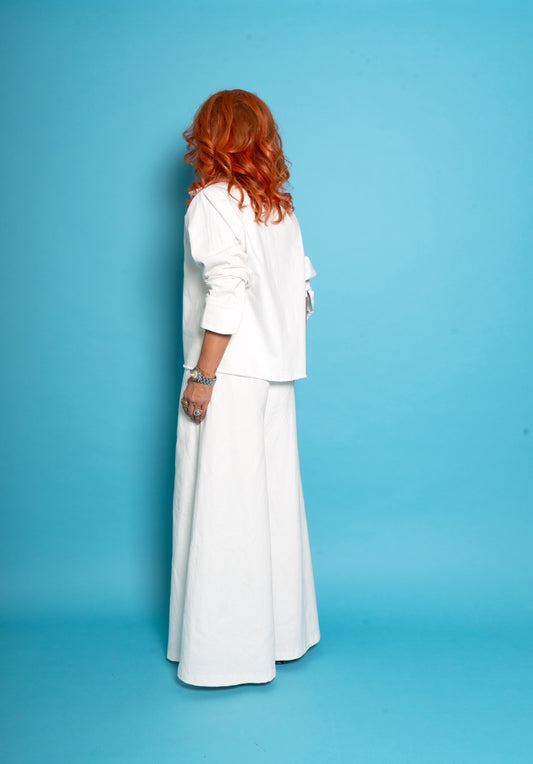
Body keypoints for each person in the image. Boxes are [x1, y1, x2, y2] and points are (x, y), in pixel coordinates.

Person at [167, 89, 320, 687]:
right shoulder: (277, 208)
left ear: (209, 137)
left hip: (229, 374)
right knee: (271, 504)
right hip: (275, 374)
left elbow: (227, 287)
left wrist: (204, 376)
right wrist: (273, 331)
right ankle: (280, 637)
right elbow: (303, 294)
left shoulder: (212, 201)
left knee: (223, 509)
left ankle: (224, 656)